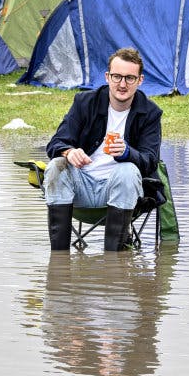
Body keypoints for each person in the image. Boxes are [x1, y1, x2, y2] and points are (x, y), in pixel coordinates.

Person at [43, 47, 163, 251]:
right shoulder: (85, 103)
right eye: (117, 76)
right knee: (56, 166)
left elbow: (151, 160)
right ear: (107, 77)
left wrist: (128, 153)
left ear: (140, 80)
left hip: (120, 191)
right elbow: (56, 143)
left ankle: (113, 262)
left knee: (127, 170)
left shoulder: (150, 113)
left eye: (130, 78)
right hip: (80, 187)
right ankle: (59, 261)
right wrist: (69, 152)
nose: (122, 84)